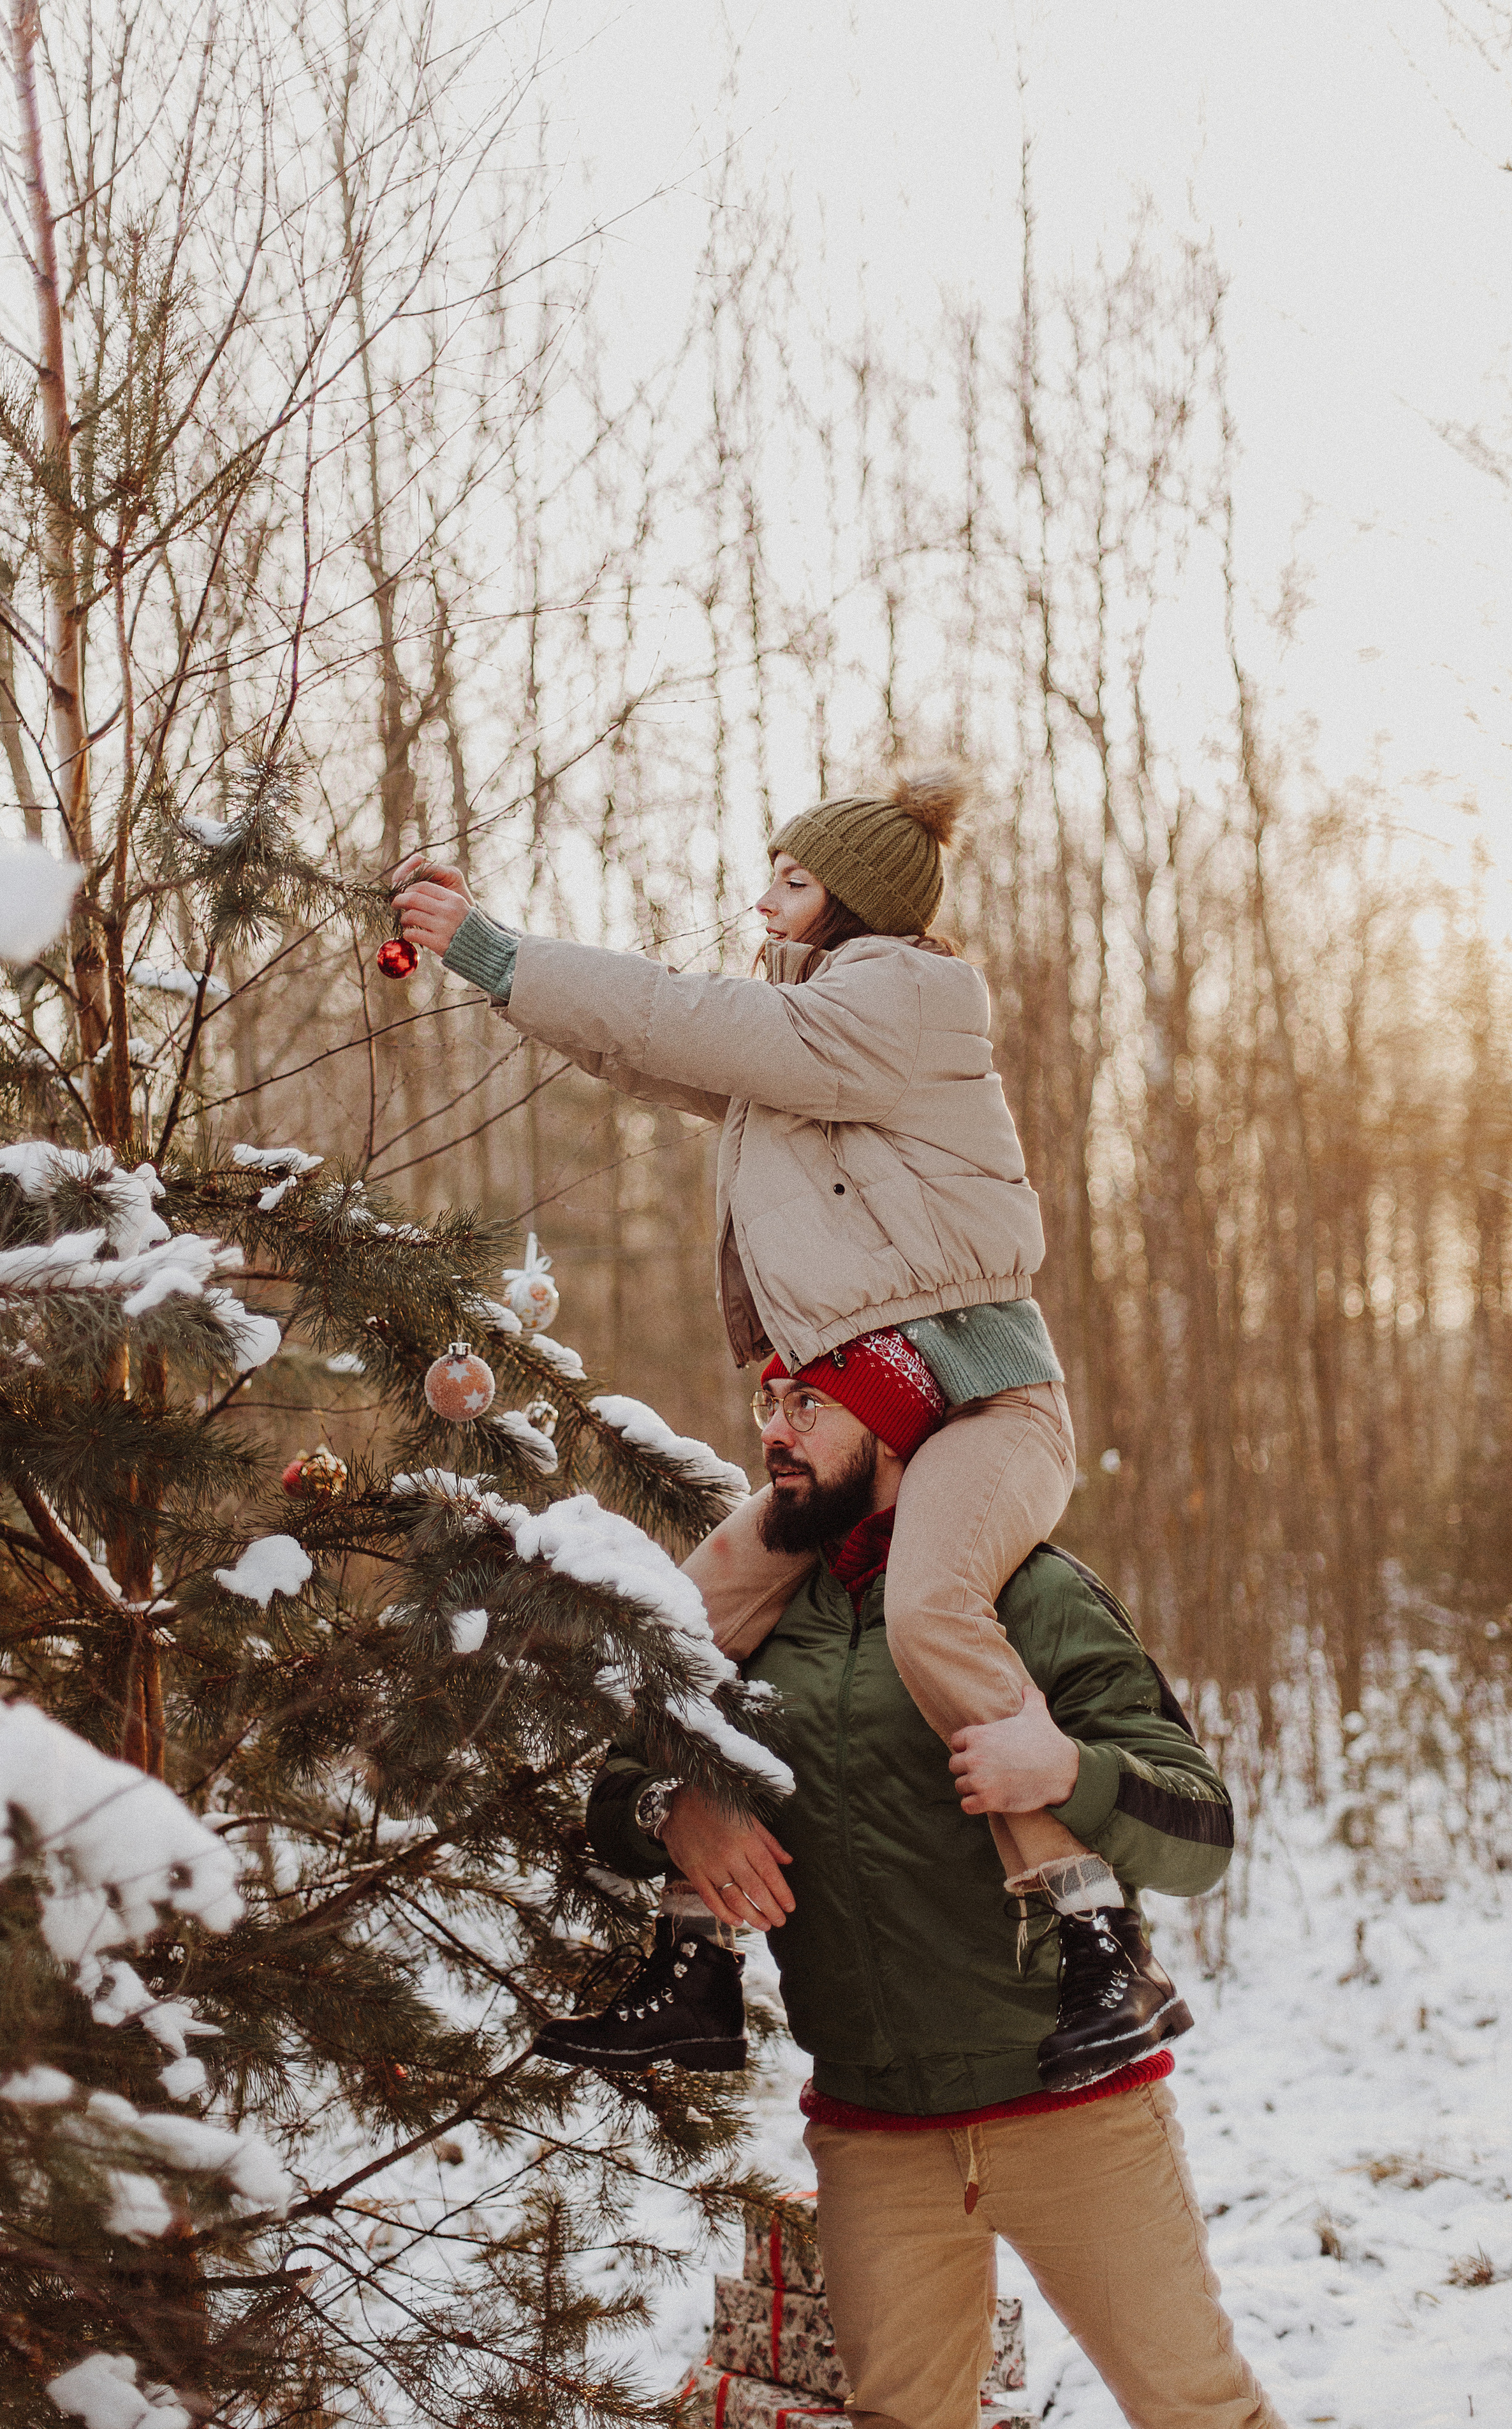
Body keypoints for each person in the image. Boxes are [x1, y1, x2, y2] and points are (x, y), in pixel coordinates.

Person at [391, 766, 1187, 2085]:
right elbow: (644, 1042)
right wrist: (489, 970)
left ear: (857, 904)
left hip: (980, 1405)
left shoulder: (905, 1001)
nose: (761, 898)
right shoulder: (818, 1032)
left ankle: (1097, 1936)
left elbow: (684, 1016)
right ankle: (692, 1966)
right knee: (687, 1622)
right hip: (859, 1421)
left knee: (934, 1608)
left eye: (793, 879)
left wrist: (492, 944)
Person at [567, 1362, 1284, 2429]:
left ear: (898, 1424)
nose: (777, 1433)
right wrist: (675, 1806)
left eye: (810, 1405)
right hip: (874, 2129)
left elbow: (1203, 1832)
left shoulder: (1030, 1596)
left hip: (1071, 2110)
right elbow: (613, 1784)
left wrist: (1069, 1774)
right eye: (769, 1406)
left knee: (1198, 2410)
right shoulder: (757, 1612)